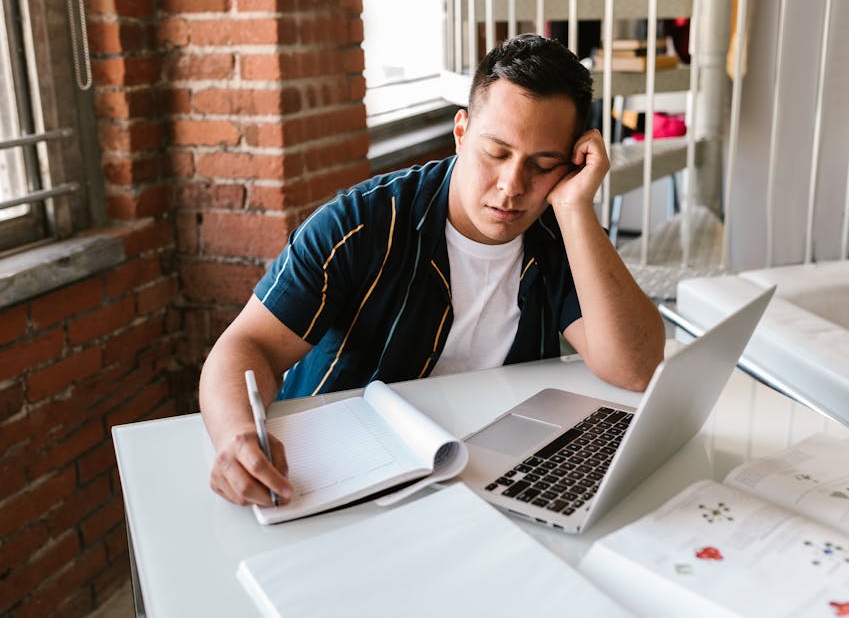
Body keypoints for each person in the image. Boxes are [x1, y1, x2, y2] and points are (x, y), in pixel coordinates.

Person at [199, 34, 666, 508]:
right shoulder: (358, 224)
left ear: (570, 165)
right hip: (341, 483)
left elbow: (635, 368)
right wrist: (236, 435)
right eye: (496, 153)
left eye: (543, 165)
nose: (512, 186)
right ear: (461, 132)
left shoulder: (560, 230)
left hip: (486, 479)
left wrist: (575, 208)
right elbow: (245, 345)